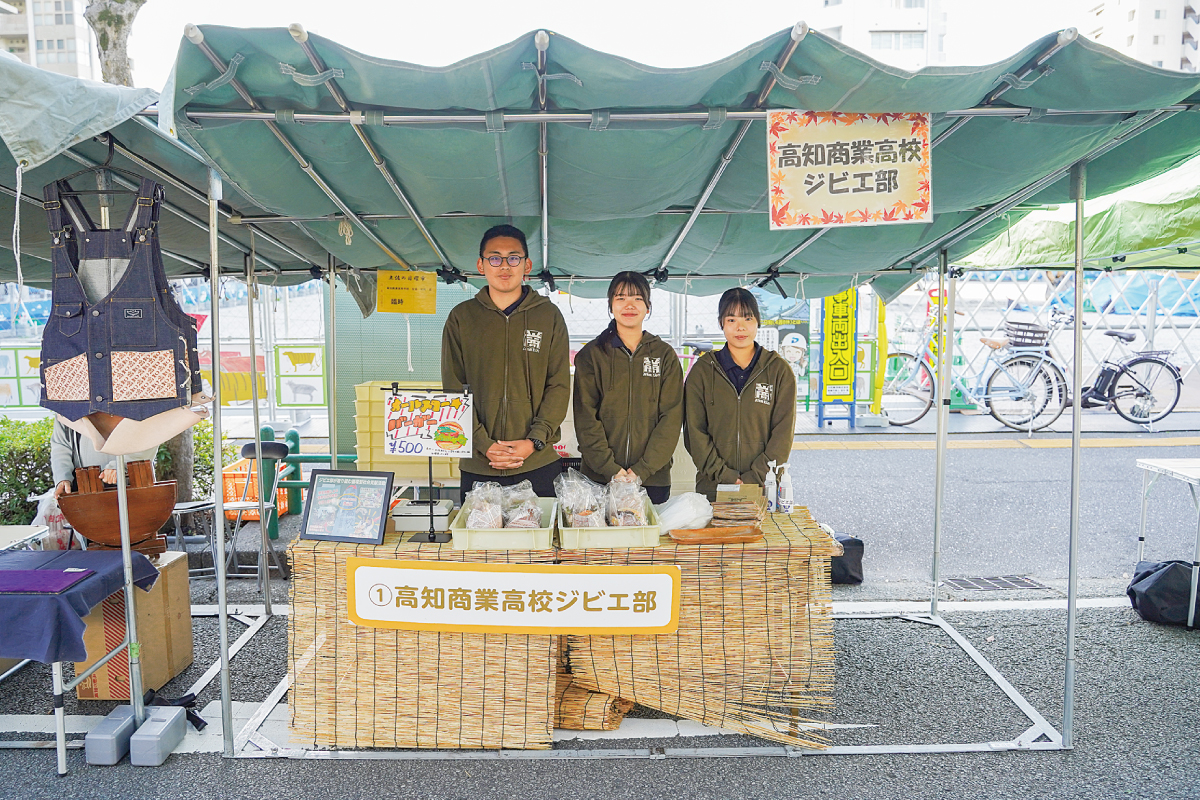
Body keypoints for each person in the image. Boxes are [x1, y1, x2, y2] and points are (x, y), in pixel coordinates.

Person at [441, 224, 570, 497]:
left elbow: (558, 384)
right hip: (480, 462)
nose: (504, 266)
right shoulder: (462, 318)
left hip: (537, 460)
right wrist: (483, 444)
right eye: (495, 258)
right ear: (481, 264)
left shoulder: (549, 316)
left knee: (539, 539)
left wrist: (534, 440)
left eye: (513, 258)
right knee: (481, 538)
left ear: (527, 264)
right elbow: (453, 388)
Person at [573, 272, 683, 505]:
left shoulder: (664, 355)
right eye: (621, 298)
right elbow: (585, 418)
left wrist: (642, 470)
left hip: (652, 479)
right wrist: (611, 469)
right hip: (598, 477)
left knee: (648, 541)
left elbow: (671, 418)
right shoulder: (592, 355)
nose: (629, 305)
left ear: (648, 306)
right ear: (611, 305)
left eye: (637, 298)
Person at [684, 288, 797, 500]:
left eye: (748, 318)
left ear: (758, 322)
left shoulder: (778, 370)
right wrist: (725, 476)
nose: (741, 327)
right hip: (714, 487)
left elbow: (783, 433)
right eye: (732, 319)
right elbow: (694, 432)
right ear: (721, 323)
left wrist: (755, 477)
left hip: (765, 487)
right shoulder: (703, 370)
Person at [51, 418, 158, 498]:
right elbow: (61, 446)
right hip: (85, 492)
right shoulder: (65, 402)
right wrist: (63, 478)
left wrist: (120, 464)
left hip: (134, 486)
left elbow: (150, 433)